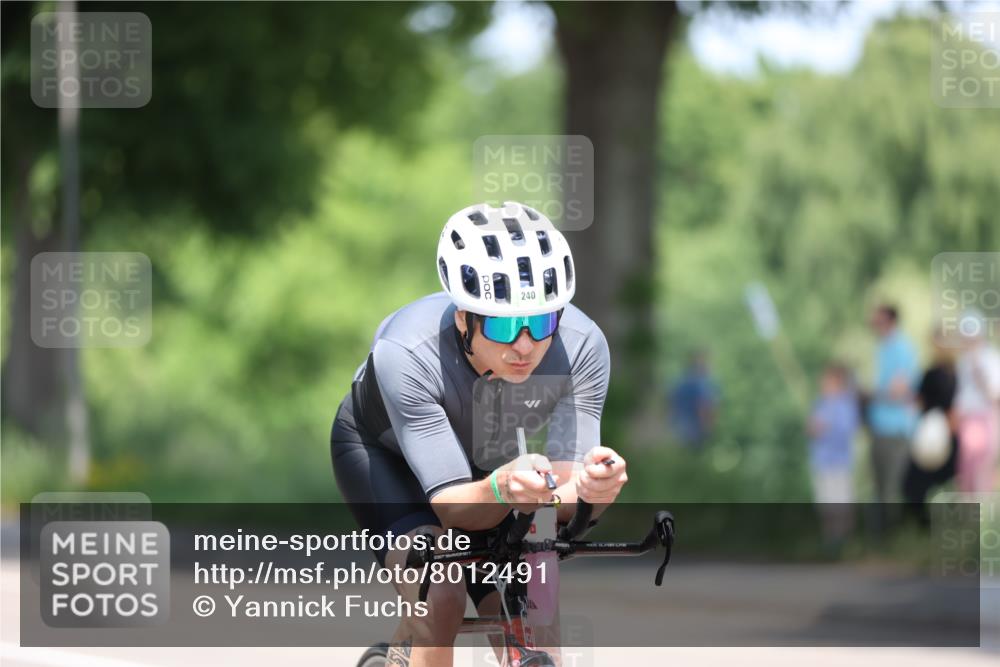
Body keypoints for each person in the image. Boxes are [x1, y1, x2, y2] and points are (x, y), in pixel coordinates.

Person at [330, 202, 627, 667]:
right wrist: (504, 487)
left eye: (542, 321)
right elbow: (453, 507)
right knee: (442, 598)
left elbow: (565, 499)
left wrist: (593, 491)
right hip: (387, 459)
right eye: (505, 325)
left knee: (533, 620)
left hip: (489, 463)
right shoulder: (406, 351)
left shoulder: (582, 345)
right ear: (464, 319)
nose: (525, 345)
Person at [902, 328, 958, 524]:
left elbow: (920, 401)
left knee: (916, 484)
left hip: (937, 436)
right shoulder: (951, 373)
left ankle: (927, 524)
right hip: (939, 435)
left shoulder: (940, 374)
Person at [867, 304, 919, 505]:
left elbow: (898, 391)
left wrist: (870, 394)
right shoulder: (881, 348)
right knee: (878, 489)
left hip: (896, 429)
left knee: (890, 490)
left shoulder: (902, 348)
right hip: (879, 427)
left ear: (891, 321)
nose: (874, 324)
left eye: (879, 320)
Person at [807, 362, 860, 550]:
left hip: (839, 463)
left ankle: (845, 541)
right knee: (825, 503)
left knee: (841, 503)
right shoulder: (820, 403)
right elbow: (812, 429)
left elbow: (846, 432)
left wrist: (826, 428)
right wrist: (813, 428)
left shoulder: (845, 405)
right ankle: (830, 541)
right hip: (822, 462)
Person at [954, 310, 1000, 494]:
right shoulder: (963, 360)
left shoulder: (991, 358)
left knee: (981, 470)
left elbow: (994, 395)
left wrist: (978, 372)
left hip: (985, 418)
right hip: (967, 419)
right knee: (966, 471)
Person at [668, 350, 719, 449]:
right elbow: (703, 406)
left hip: (676, 428)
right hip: (694, 430)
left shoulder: (679, 381)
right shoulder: (702, 383)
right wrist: (708, 429)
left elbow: (670, 404)